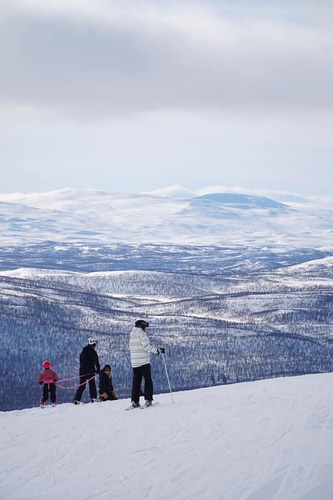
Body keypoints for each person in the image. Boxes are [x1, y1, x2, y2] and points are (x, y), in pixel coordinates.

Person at [129, 319, 165, 408]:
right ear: (142, 326)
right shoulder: (142, 334)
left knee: (136, 382)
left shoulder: (132, 334)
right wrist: (157, 350)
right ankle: (148, 400)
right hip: (143, 362)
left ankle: (135, 401)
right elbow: (146, 346)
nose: (146, 329)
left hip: (134, 362)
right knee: (148, 380)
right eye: (146, 327)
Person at [73, 338, 100, 404]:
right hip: (90, 371)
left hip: (82, 371)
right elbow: (96, 361)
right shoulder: (93, 351)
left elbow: (80, 360)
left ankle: (77, 399)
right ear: (94, 344)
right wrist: (98, 370)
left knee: (82, 385)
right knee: (92, 384)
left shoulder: (83, 351)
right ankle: (93, 398)